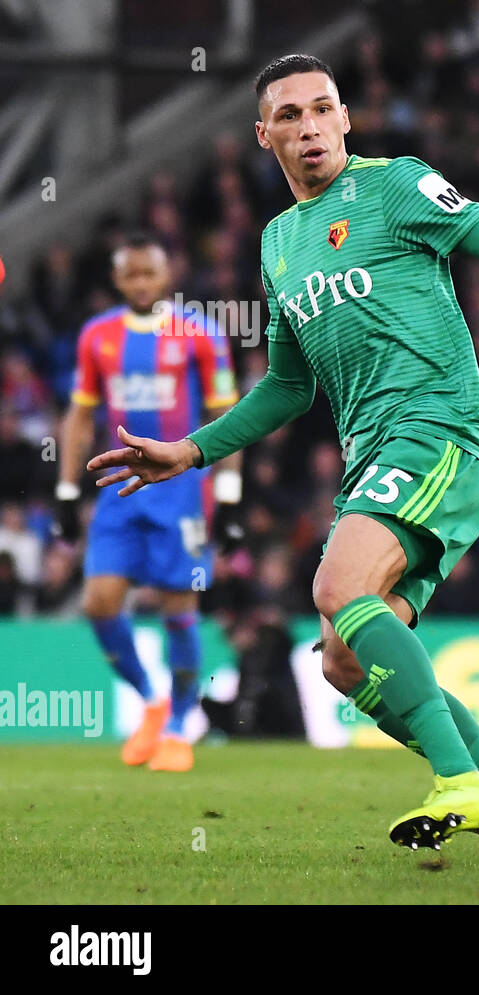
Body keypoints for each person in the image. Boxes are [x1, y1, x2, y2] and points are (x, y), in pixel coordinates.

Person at [88, 54, 479, 849]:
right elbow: (289, 387)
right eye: (290, 115)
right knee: (344, 663)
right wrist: (190, 449)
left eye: (323, 108)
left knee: (334, 584)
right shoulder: (280, 242)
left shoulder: (395, 186)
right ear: (264, 135)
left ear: (345, 118)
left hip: (440, 429)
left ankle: (455, 779)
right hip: (372, 457)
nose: (310, 126)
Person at [58, 231, 242, 772]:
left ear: (167, 276)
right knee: (98, 604)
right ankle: (152, 701)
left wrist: (228, 499)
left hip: (181, 493)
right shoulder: (98, 336)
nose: (140, 283)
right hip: (117, 493)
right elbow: (78, 416)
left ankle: (183, 724)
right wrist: (67, 489)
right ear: (117, 280)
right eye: (130, 275)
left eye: (149, 273)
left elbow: (228, 417)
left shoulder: (200, 333)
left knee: (179, 612)